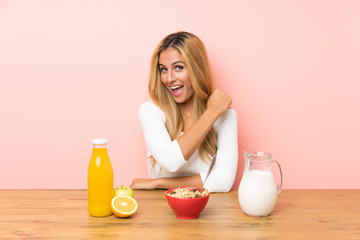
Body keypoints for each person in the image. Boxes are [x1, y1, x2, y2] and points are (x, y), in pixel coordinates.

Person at [131, 31, 238, 192]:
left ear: (197, 69)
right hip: (160, 210)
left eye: (178, 67)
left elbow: (224, 181)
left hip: (208, 210)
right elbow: (171, 161)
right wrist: (211, 113)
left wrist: (159, 183)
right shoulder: (150, 111)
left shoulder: (224, 116)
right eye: (163, 69)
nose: (169, 78)